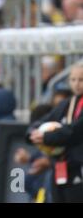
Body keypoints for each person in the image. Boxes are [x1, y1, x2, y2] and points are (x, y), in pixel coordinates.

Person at [28, 62, 83, 202]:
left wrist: (46, 137)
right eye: (73, 79)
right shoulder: (67, 103)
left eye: (81, 80)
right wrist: (32, 133)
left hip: (78, 167)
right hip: (61, 165)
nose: (77, 84)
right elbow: (45, 119)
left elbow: (74, 130)